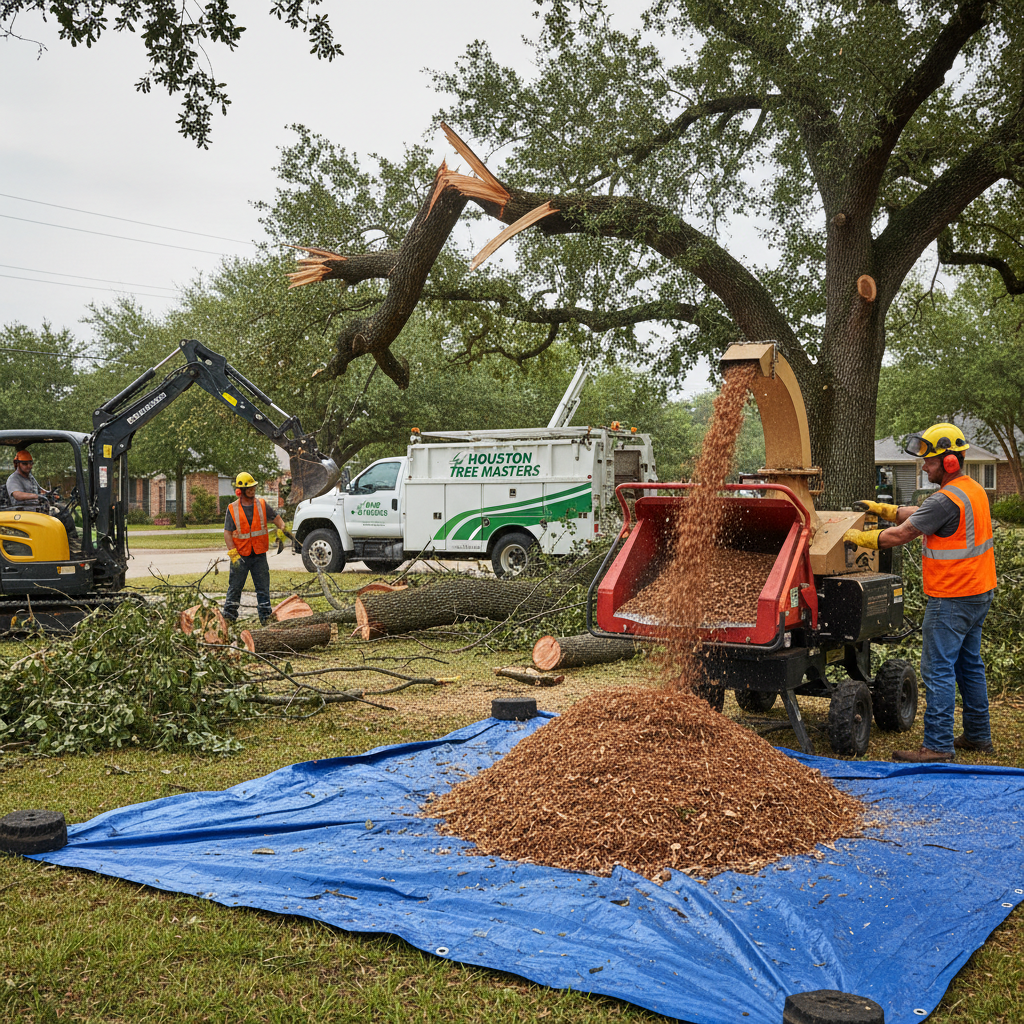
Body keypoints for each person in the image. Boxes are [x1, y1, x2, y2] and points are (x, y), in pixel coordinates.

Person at [844, 423, 997, 763]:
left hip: (952, 598)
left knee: (937, 669)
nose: (924, 467)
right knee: (969, 665)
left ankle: (938, 746)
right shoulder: (970, 490)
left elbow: (899, 536)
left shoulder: (946, 498)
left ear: (950, 463)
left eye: (929, 462)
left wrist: (854, 538)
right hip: (979, 592)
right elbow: (922, 515)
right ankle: (978, 735)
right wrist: (882, 510)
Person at [222, 472, 289, 627]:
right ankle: (229, 619)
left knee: (263, 588)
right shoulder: (232, 508)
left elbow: (276, 518)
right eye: (249, 488)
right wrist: (233, 555)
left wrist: (282, 528)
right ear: (241, 490)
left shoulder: (262, 505)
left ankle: (266, 619)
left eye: (253, 487)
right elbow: (227, 533)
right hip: (240, 556)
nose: (253, 490)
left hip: (259, 554)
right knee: (235, 588)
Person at [5, 449, 80, 550]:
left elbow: (40, 490)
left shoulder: (30, 477)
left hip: (36, 507)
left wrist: (51, 493)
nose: (29, 466)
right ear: (17, 464)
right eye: (25, 463)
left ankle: (71, 541)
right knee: (60, 514)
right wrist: (36, 496)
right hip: (24, 510)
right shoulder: (13, 479)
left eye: (30, 463)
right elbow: (17, 494)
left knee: (63, 508)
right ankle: (70, 543)